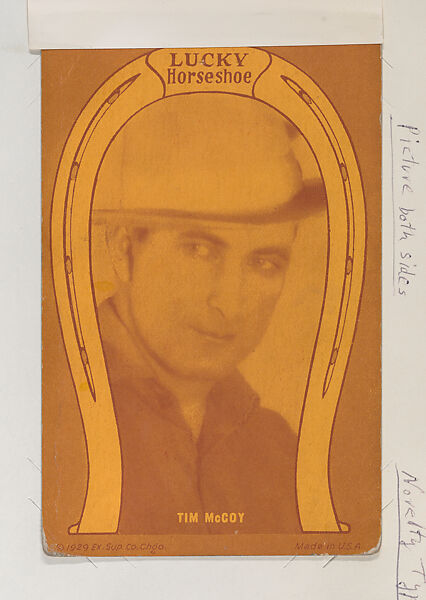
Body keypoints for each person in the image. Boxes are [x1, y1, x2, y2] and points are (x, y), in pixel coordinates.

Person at [93, 93, 325, 534]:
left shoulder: (276, 451)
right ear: (123, 248)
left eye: (264, 263)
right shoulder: (56, 408)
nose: (229, 303)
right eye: (199, 250)